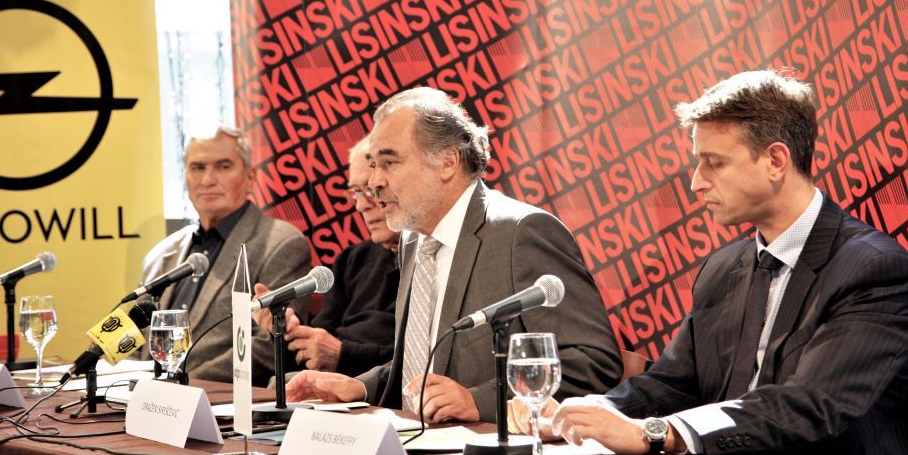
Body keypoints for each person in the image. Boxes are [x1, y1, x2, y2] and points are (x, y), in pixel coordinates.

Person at [512, 71, 908, 455]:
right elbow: (673, 383)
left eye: (715, 163)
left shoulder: (874, 270)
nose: (697, 181)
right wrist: (592, 414)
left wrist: (655, 432)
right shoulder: (724, 267)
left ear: (775, 160)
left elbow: (810, 406)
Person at [285, 87, 623, 423]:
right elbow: (422, 365)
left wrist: (478, 401)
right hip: (412, 436)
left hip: (488, 447)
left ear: (447, 161)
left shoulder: (522, 233)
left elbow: (592, 362)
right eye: (373, 165)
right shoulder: (414, 239)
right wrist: (360, 387)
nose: (374, 181)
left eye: (389, 162)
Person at [139, 126, 311, 385]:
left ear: (250, 177)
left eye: (223, 166)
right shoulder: (161, 254)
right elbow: (137, 338)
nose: (208, 179)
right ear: (185, 177)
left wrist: (183, 384)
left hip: (220, 400)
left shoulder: (280, 243)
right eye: (197, 167)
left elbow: (270, 345)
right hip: (144, 395)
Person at [255, 137, 401, 375]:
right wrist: (284, 330)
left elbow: (420, 360)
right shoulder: (351, 261)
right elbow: (312, 353)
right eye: (355, 192)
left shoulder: (433, 261)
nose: (361, 206)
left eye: (371, 190)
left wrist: (343, 355)